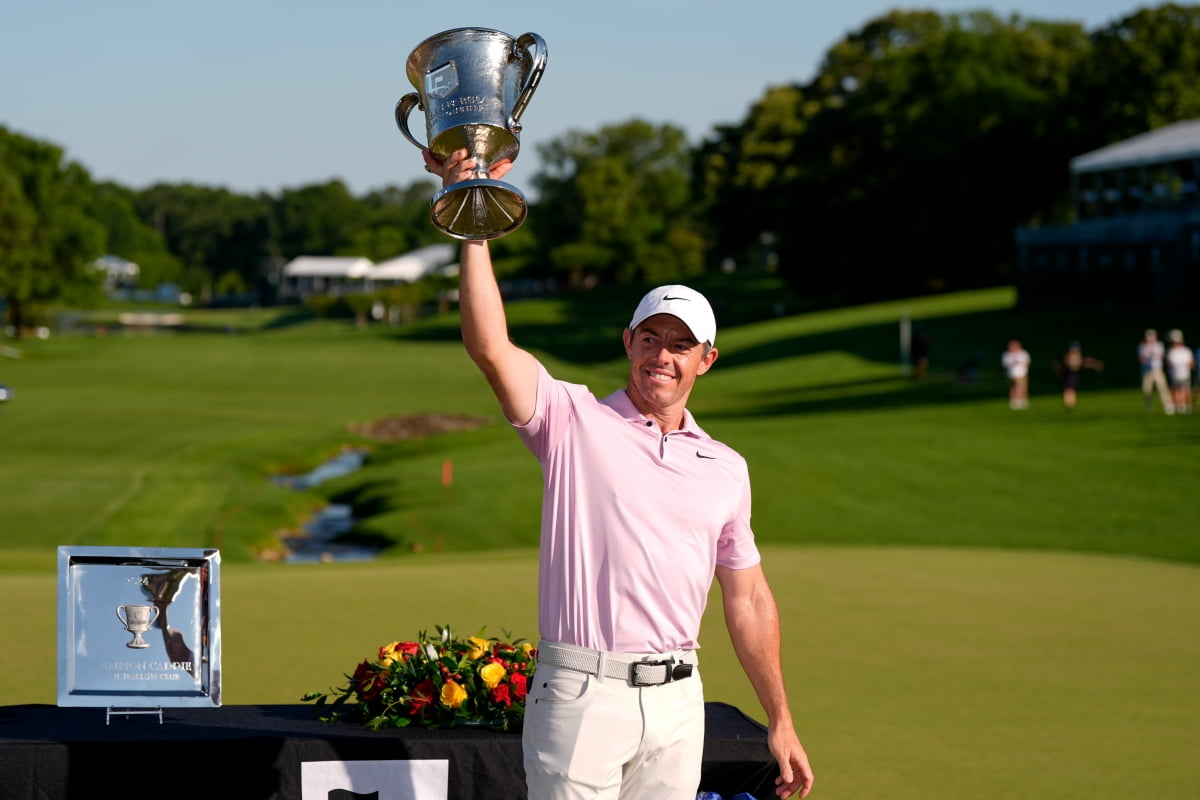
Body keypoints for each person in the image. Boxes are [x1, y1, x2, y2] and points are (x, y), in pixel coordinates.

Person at [424, 147, 814, 800]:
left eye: (680, 344)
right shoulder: (572, 419)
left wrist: (781, 718)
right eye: (650, 338)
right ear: (628, 342)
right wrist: (472, 221)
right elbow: (489, 348)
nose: (663, 354)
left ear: (706, 360)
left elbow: (747, 600)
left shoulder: (725, 468)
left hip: (679, 702)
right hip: (581, 695)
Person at [1053, 341, 1104, 410]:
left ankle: (1070, 404)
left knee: (1071, 390)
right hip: (1068, 375)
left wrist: (1094, 364)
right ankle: (1069, 404)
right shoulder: (1069, 356)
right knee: (1069, 390)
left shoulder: (1075, 356)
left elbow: (1084, 362)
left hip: (1073, 375)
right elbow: (1070, 364)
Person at [1138, 329, 1173, 414]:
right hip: (1147, 371)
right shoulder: (1142, 346)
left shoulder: (1159, 345)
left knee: (1162, 388)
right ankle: (1149, 404)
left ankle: (1168, 405)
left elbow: (1160, 356)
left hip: (1157, 370)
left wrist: (1152, 353)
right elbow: (1141, 359)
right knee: (1146, 389)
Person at [1165, 329, 1195, 415]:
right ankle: (1174, 406)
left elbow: (1192, 363)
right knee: (1175, 390)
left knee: (1185, 390)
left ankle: (1184, 406)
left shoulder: (1186, 351)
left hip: (1184, 374)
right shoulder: (1171, 351)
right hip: (1175, 375)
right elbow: (1168, 363)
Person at [1001, 339, 1031, 409]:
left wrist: (1020, 362)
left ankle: (1022, 400)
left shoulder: (1023, 353)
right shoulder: (1007, 354)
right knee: (1013, 387)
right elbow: (1005, 364)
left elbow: (1027, 363)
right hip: (1010, 374)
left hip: (1021, 374)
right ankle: (1014, 401)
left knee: (1021, 387)